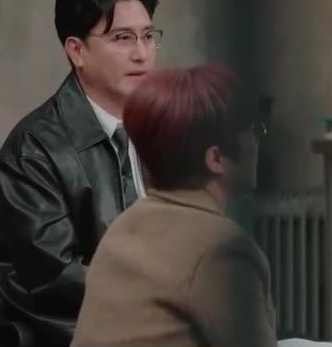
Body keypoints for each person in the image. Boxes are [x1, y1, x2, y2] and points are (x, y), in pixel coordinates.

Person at [0, 0, 161, 345]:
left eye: (148, 36)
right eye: (122, 38)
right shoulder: (34, 148)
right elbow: (57, 275)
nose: (142, 53)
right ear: (76, 50)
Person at [71, 64, 276, 347]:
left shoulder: (124, 227)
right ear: (216, 159)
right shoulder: (222, 250)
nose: (257, 142)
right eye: (253, 131)